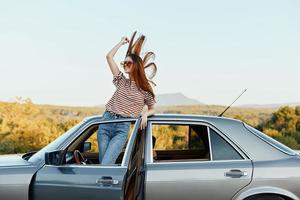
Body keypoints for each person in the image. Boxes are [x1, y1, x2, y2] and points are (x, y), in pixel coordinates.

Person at [97, 31, 157, 165]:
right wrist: (121, 43)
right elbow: (109, 57)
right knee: (102, 166)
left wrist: (146, 113)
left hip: (122, 128)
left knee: (105, 165)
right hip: (106, 122)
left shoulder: (144, 87)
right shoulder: (121, 81)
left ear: (136, 66)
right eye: (124, 63)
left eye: (128, 63)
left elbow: (153, 107)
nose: (125, 65)